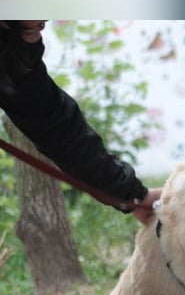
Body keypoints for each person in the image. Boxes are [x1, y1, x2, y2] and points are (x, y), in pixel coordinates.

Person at [0, 20, 158, 224]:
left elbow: (59, 129)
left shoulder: (13, 53)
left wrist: (134, 196)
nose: (34, 38)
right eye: (34, 26)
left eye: (41, 25)